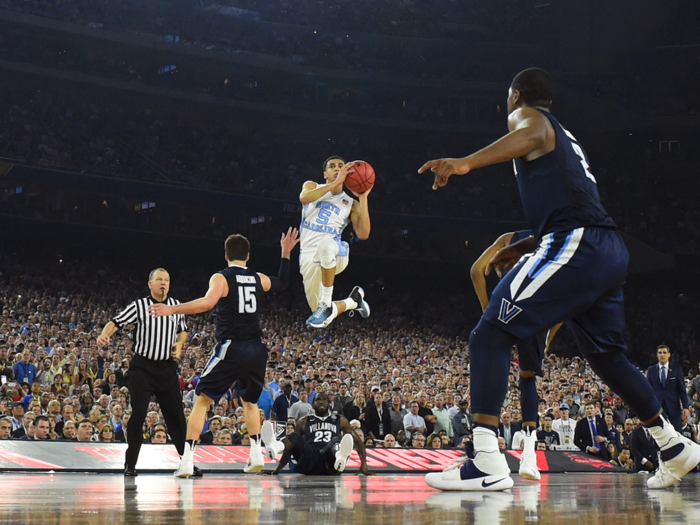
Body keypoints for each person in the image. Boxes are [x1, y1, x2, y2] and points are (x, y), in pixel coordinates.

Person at [420, 67, 700, 491]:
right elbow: (574, 202)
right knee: (607, 357)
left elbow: (528, 134)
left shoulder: (528, 118)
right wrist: (530, 243)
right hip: (604, 248)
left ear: (515, 96)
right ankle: (673, 445)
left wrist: (465, 163)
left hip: (577, 244)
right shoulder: (565, 137)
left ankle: (485, 461)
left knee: (490, 333)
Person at [150, 228, 299, 477]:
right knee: (250, 401)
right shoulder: (257, 277)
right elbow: (282, 283)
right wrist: (285, 253)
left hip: (232, 346)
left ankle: (186, 460)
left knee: (202, 399)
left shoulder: (221, 277)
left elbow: (207, 303)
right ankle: (255, 456)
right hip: (256, 348)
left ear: (226, 255)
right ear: (248, 256)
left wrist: (172, 310)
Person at [97, 268, 190, 477]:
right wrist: (104, 334)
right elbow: (116, 322)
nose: (163, 283)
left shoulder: (176, 306)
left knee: (175, 415)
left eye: (166, 279)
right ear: (150, 284)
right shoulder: (140, 305)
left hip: (167, 367)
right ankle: (130, 464)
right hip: (143, 367)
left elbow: (183, 329)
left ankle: (187, 462)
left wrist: (180, 343)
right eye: (159, 279)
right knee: (138, 414)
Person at [299, 156, 371, 328]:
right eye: (332, 166)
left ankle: (325, 304)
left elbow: (363, 233)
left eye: (341, 166)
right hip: (308, 255)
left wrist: (363, 198)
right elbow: (304, 198)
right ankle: (353, 302)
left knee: (326, 244)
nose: (337, 168)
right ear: (325, 173)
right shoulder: (312, 186)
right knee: (322, 320)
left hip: (336, 252)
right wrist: (336, 183)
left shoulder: (350, 203)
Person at [262, 392, 372, 476]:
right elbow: (292, 445)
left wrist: (364, 465)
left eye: (324, 400)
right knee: (294, 436)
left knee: (336, 441)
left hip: (330, 461)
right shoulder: (304, 421)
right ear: (312, 404)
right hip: (310, 460)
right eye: (318, 399)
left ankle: (340, 457)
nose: (321, 402)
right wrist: (278, 469)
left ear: (329, 403)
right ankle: (275, 446)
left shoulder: (339, 419)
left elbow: (358, 442)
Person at [646, 345, 688, 432]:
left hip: (673, 408)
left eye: (664, 352)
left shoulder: (676, 370)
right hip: (657, 409)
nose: (662, 355)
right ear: (657, 355)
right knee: (659, 436)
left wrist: (686, 407)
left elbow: (682, 390)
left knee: (676, 435)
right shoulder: (651, 370)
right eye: (660, 353)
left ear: (669, 355)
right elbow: (648, 391)